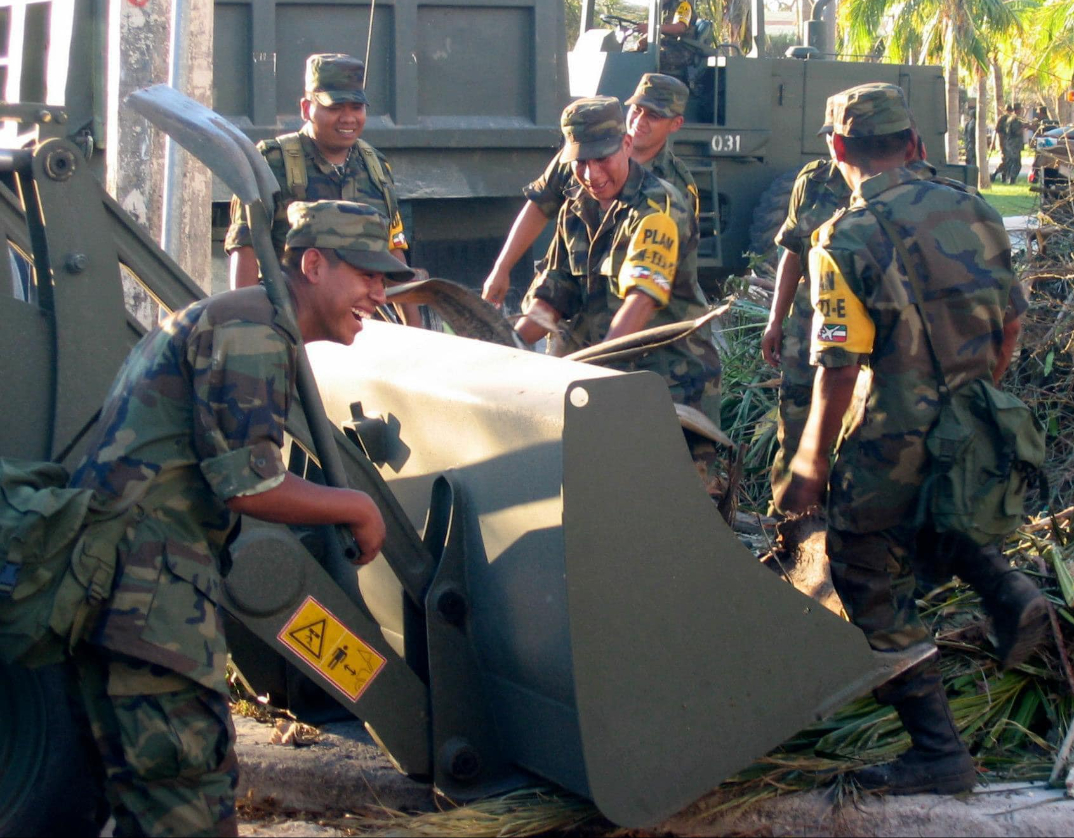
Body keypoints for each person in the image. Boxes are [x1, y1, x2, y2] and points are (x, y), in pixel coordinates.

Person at [68, 200, 412, 836]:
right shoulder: (253, 329)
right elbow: (247, 488)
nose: (378, 292)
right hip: (149, 598)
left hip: (129, 589)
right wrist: (357, 506)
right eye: (367, 274)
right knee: (189, 800)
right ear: (313, 264)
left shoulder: (245, 318)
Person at [776, 83, 1047, 795]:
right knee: (936, 512)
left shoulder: (842, 236)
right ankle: (1008, 587)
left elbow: (838, 370)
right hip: (976, 414)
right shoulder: (978, 208)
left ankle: (938, 750)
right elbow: (1011, 323)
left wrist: (808, 467)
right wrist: (971, 391)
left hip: (891, 430)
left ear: (837, 151)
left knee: (863, 567)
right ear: (916, 142)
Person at [514, 95, 721, 441]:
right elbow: (553, 295)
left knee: (670, 492)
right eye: (580, 162)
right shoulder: (575, 209)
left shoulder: (659, 208)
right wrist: (512, 345)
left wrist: (592, 373)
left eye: (601, 159)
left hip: (668, 384)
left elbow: (641, 301)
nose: (590, 174)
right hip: (601, 379)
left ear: (626, 145)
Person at [481, 73, 699, 309]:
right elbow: (540, 205)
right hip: (570, 299)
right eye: (637, 110)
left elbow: (666, 274)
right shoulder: (580, 155)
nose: (639, 121)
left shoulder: (675, 187)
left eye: (654, 116)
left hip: (634, 314)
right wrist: (502, 269)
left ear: (676, 124)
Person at [224, 54, 413, 292]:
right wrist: (249, 324)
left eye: (356, 108)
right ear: (306, 108)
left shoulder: (376, 167)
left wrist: (414, 327)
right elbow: (245, 247)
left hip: (362, 320)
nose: (348, 118)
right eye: (334, 107)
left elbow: (393, 252)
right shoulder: (270, 163)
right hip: (294, 318)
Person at [760, 102, 851, 506]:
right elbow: (792, 252)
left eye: (840, 136)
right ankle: (788, 517)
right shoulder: (813, 181)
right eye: (828, 135)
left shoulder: (891, 188)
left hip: (861, 338)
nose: (833, 144)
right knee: (794, 424)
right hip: (807, 329)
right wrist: (775, 320)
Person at [636, 0, 695, 82]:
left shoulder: (683, 5)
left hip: (680, 50)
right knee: (632, 54)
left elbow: (679, 28)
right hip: (663, 47)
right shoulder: (660, 7)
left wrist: (651, 28)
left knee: (646, 59)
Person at [1002, 103, 1026, 183]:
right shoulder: (1015, 119)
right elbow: (1016, 132)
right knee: (1016, 163)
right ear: (1018, 110)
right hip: (1014, 144)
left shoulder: (1010, 118)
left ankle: (1009, 178)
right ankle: (1012, 179)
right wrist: (1024, 127)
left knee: (1010, 162)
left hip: (1010, 143)